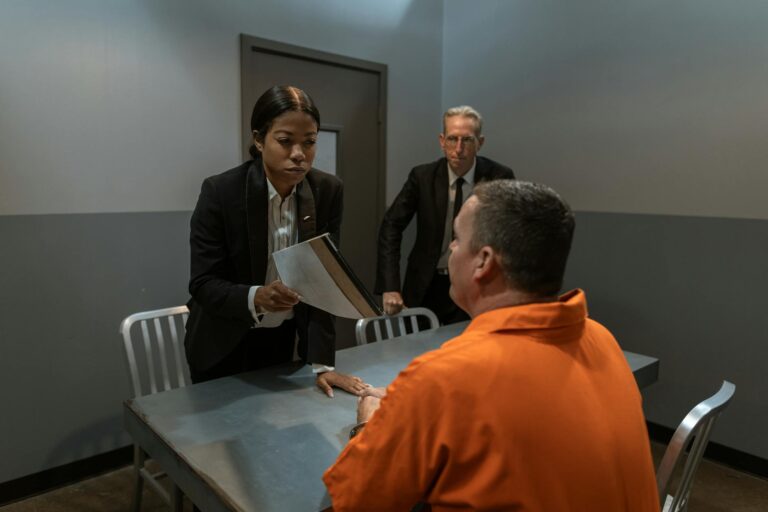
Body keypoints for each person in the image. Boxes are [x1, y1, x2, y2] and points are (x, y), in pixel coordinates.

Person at [323, 181, 660, 511]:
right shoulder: (599, 337)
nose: (451, 249)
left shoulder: (444, 377)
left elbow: (356, 502)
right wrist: (411, 403)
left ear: (484, 262)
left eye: (456, 238)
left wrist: (369, 425)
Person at [184, 85, 368, 398]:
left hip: (280, 339)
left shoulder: (327, 190)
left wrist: (322, 363)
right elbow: (203, 283)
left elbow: (321, 281)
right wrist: (256, 297)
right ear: (259, 139)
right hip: (221, 340)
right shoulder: (221, 191)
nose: (299, 154)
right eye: (285, 141)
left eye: (309, 142)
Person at [375, 105, 515, 325]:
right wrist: (389, 286)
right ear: (442, 141)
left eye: (467, 140)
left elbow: (508, 235)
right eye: (452, 139)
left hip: (475, 284)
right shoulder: (422, 177)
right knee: (418, 353)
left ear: (480, 142)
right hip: (426, 284)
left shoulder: (499, 176)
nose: (458, 148)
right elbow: (391, 226)